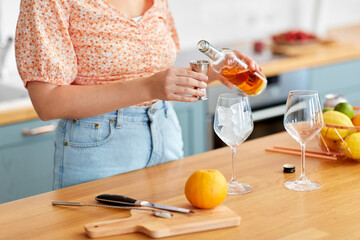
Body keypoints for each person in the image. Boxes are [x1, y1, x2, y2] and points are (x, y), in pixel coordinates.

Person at [15, 0, 262, 189]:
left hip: (166, 132)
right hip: (99, 148)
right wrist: (150, 87)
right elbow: (47, 102)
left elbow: (155, 75)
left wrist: (214, 72)